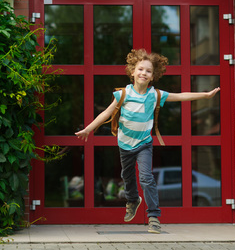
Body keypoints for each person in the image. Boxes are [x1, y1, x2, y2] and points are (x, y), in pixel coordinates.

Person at [75, 49, 220, 234]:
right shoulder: (123, 94)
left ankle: (153, 216)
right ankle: (133, 200)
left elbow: (181, 95)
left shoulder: (155, 95)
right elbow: (106, 113)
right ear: (132, 72)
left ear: (153, 76)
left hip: (144, 143)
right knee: (127, 177)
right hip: (125, 144)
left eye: (148, 71)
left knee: (146, 178)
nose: (143, 73)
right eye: (140, 69)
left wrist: (205, 95)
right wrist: (89, 128)